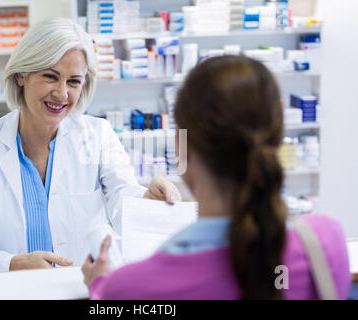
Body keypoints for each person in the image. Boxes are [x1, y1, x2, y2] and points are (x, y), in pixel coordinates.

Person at [82, 55, 351, 299]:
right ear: (276, 140)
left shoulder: (131, 287)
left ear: (181, 148)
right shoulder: (325, 242)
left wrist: (100, 286)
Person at [0, 18, 181, 276]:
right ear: (21, 75)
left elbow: (123, 197)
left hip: (81, 289)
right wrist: (13, 264)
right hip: (12, 291)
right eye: (50, 76)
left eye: (73, 82)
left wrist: (148, 202)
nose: (61, 94)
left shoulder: (98, 136)